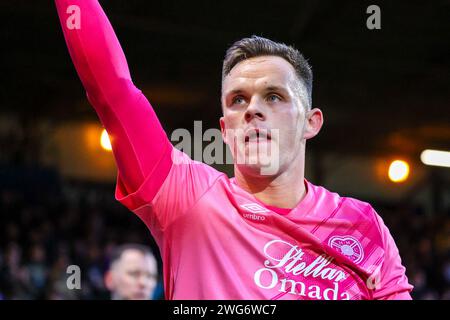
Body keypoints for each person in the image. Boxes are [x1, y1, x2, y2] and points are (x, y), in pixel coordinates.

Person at [55, 0, 413, 299]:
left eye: (274, 97)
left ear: (311, 122)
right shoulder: (186, 198)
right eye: (238, 99)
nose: (253, 109)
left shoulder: (363, 227)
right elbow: (112, 89)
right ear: (225, 130)